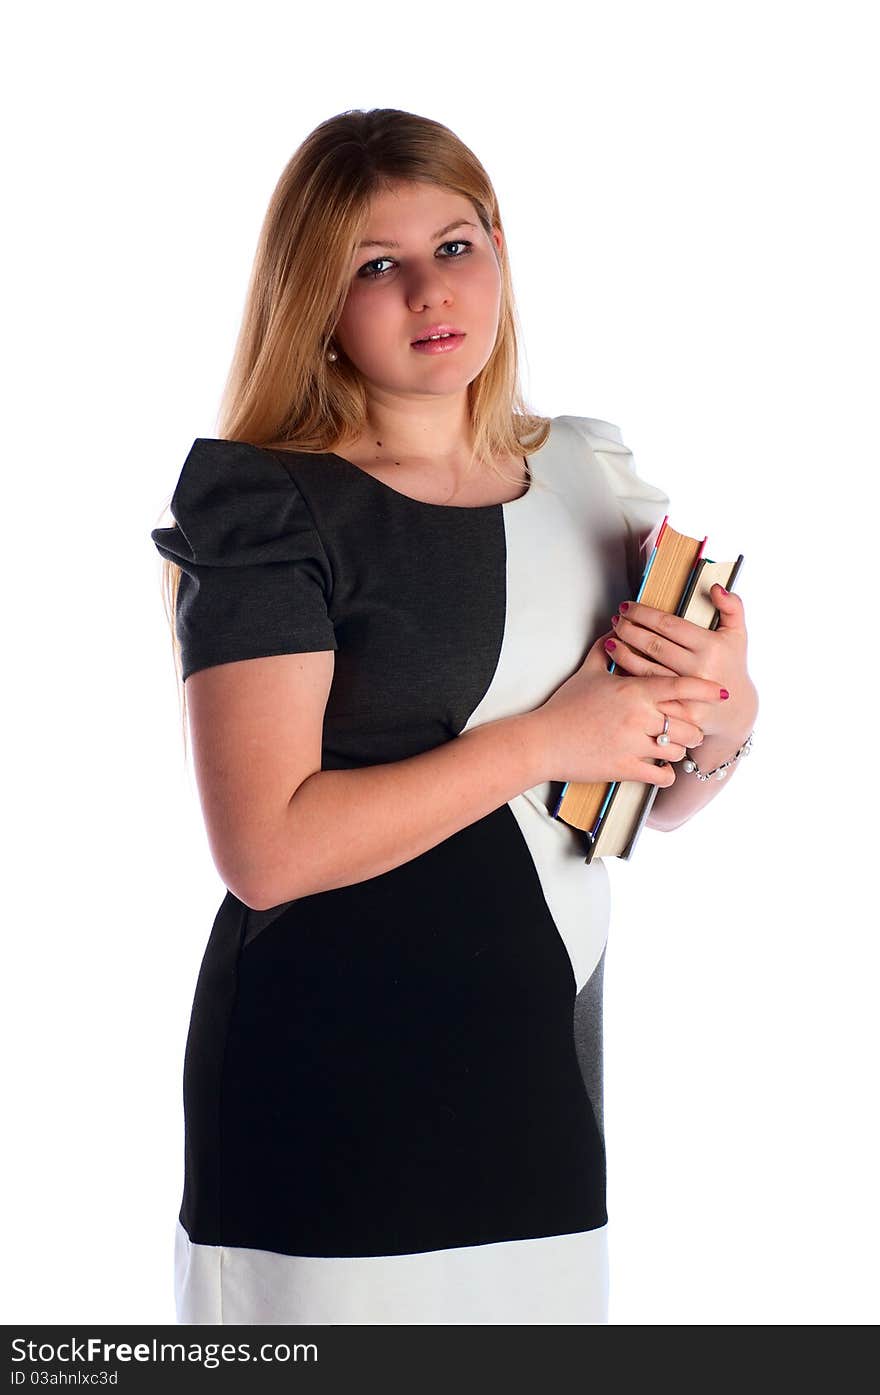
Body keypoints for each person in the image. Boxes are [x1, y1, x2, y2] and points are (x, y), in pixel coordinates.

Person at [151, 107, 759, 1326]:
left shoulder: (591, 474)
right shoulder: (271, 510)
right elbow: (266, 853)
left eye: (458, 243)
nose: (431, 289)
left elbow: (653, 797)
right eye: (376, 264)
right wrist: (543, 741)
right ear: (313, 299)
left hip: (537, 1069)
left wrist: (728, 714)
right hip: (328, 1085)